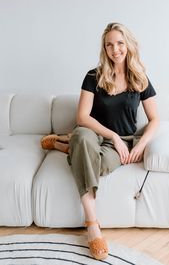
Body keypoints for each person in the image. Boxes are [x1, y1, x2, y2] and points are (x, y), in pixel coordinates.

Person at [41, 22, 159, 260]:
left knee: (99, 164)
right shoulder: (93, 76)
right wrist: (112, 135)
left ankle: (62, 144)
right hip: (92, 133)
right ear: (104, 49)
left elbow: (155, 119)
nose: (115, 49)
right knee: (83, 140)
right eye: (109, 45)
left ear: (128, 45)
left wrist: (142, 143)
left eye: (119, 43)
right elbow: (82, 117)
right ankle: (92, 224)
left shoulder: (139, 78)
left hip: (124, 141)